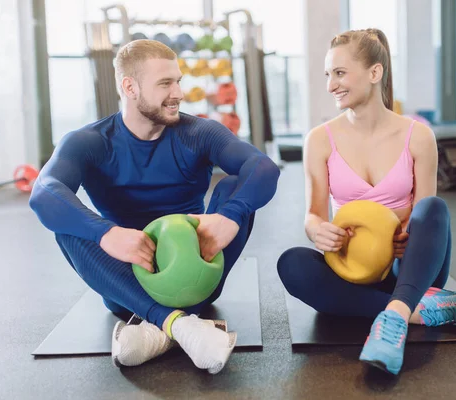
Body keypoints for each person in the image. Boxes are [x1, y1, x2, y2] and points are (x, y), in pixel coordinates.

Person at [30, 39, 280, 373]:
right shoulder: (89, 142)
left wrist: (229, 218)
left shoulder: (199, 132)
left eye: (178, 81)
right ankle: (182, 326)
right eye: (165, 83)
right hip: (125, 282)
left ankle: (158, 327)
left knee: (236, 188)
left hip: (197, 278)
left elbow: (262, 167)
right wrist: (107, 234)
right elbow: (44, 192)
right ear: (129, 87)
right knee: (68, 226)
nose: (178, 92)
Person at [276, 29, 456, 375]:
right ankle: (414, 312)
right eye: (328, 75)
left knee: (434, 209)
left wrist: (406, 230)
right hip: (353, 270)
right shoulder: (319, 140)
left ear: (375, 73)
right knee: (291, 263)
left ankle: (394, 315)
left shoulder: (418, 136)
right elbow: (313, 215)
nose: (331, 85)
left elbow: (425, 209)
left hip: (409, 267)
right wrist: (319, 232)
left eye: (340, 73)